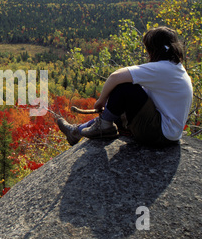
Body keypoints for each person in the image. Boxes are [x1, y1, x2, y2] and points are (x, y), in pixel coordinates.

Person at [56, 26, 193, 148]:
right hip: (167, 133)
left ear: (154, 49)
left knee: (125, 87)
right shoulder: (174, 68)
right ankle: (76, 132)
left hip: (159, 135)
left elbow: (115, 76)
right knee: (121, 104)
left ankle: (102, 127)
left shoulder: (163, 68)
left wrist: (101, 101)